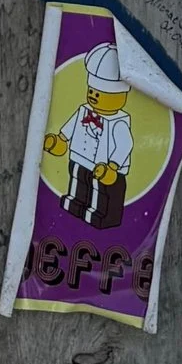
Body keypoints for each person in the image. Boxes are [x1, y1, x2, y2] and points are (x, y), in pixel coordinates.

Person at [42, 43, 133, 226]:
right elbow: (69, 130)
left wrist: (113, 166)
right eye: (91, 91)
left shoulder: (119, 122)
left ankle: (100, 215)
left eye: (99, 93)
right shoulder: (84, 111)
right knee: (78, 180)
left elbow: (125, 145)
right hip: (79, 158)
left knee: (102, 192)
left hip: (105, 168)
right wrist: (60, 141)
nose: (93, 96)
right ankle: (75, 203)